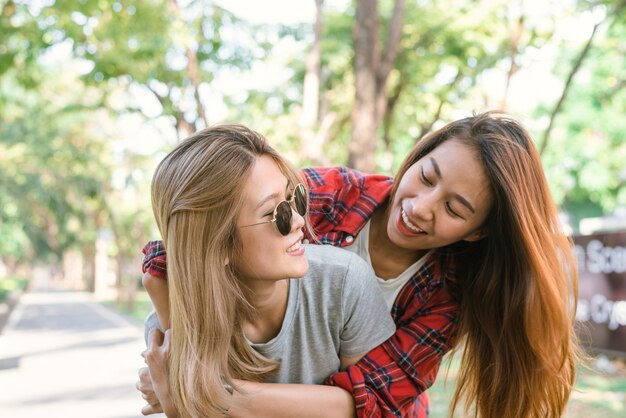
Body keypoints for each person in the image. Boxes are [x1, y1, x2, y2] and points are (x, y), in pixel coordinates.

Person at [138, 112, 580, 418]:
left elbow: (372, 403)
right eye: (427, 176)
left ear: (477, 232)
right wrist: (177, 361)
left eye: (455, 209)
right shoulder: (320, 195)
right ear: (419, 155)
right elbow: (187, 246)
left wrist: (205, 395)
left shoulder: (448, 297)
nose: (422, 207)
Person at [140, 124, 396, 417]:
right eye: (277, 214)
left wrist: (206, 392)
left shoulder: (344, 283)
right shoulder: (171, 324)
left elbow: (369, 408)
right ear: (218, 245)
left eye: (295, 198)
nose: (300, 221)